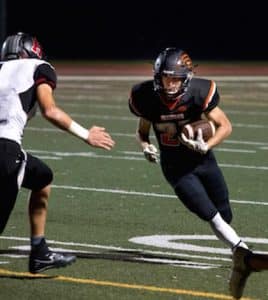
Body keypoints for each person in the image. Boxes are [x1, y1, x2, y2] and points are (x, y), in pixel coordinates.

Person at [128, 47, 251, 298]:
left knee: (225, 212)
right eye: (165, 78)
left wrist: (207, 144)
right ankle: (244, 253)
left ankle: (236, 247)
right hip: (175, 168)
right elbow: (142, 131)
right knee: (211, 215)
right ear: (157, 77)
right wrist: (145, 146)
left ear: (186, 79)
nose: (170, 84)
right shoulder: (146, 97)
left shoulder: (198, 93)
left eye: (175, 78)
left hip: (203, 160)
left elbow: (225, 126)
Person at [0, 32, 115, 274]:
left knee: (42, 177)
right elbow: (49, 110)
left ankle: (39, 251)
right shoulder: (38, 66)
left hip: (7, 148)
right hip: (5, 150)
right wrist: (86, 135)